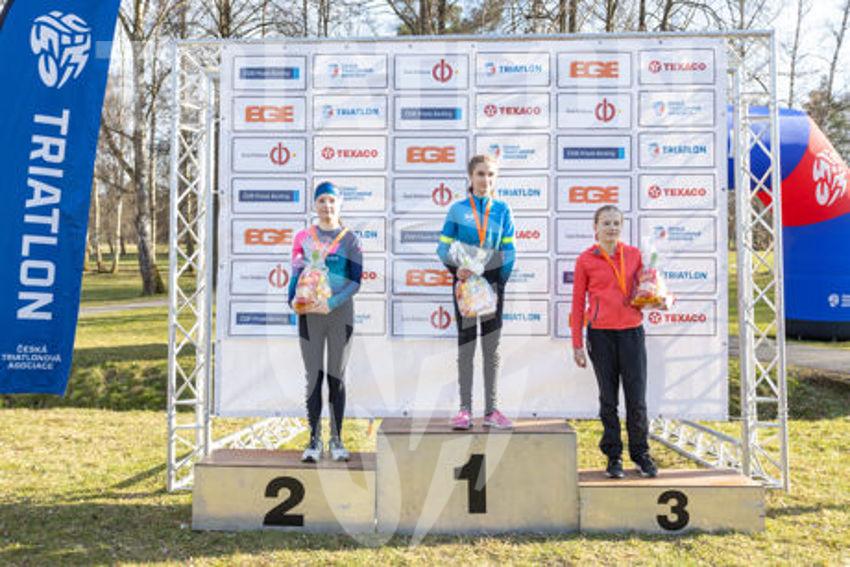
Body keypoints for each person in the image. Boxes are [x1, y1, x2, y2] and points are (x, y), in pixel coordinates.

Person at [570, 205, 657, 478]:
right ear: (595, 227)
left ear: (622, 226)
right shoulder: (585, 260)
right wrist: (577, 344)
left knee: (636, 399)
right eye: (606, 223)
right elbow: (577, 303)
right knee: (608, 399)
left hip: (632, 332)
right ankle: (613, 456)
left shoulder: (634, 255)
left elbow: (646, 286)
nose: (611, 228)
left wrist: (655, 293)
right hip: (601, 335)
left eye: (616, 223)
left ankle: (641, 454)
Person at [437, 154, 516, 430]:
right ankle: (465, 410)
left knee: (491, 348)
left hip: (492, 286)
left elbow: (509, 251)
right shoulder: (458, 210)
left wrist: (497, 282)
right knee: (467, 345)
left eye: (491, 174)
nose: (486, 179)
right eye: (481, 174)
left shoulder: (502, 210)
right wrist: (456, 269)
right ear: (470, 177)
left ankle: (492, 410)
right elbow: (442, 248)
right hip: (465, 286)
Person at [288, 181, 363, 462]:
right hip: (309, 315)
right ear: (315, 204)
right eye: (322, 200)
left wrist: (330, 303)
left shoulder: (350, 239)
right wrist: (292, 300)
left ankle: (337, 439)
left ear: (339, 204)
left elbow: (355, 282)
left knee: (336, 377)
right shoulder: (303, 237)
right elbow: (295, 274)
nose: (327, 206)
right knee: (313, 377)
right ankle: (314, 440)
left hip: (339, 315)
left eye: (331, 200)